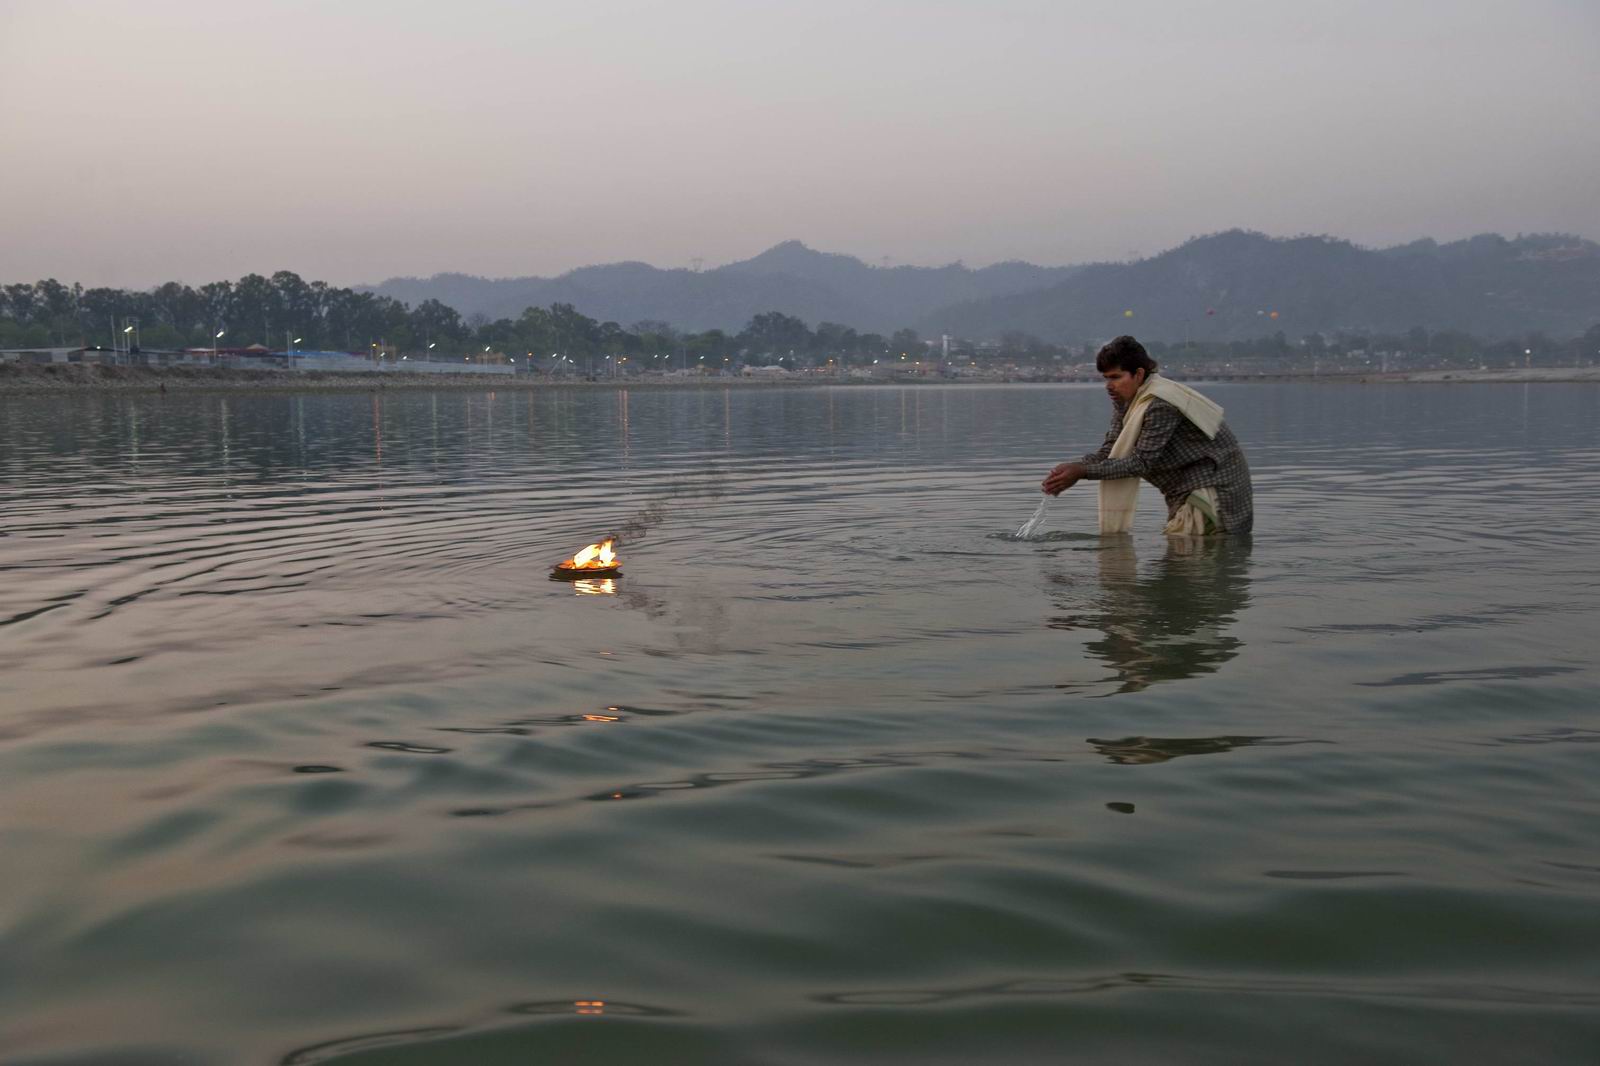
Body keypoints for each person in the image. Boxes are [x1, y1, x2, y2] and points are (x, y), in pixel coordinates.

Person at [1042, 336, 1253, 534]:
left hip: (1214, 491)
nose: (1109, 386)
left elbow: (1141, 463)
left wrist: (1081, 471)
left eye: (1116, 377)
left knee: (1197, 562)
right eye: (1106, 378)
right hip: (1184, 492)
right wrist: (1073, 469)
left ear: (1139, 374)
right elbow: (1111, 450)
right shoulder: (1127, 400)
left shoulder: (1161, 403)